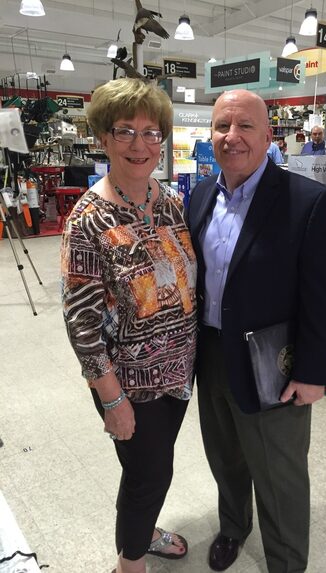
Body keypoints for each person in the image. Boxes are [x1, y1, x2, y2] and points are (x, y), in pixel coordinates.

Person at [187, 89, 326, 572]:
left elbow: (322, 296)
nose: (231, 137)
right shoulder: (198, 197)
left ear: (268, 135)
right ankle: (234, 526)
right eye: (221, 127)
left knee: (279, 471)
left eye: (245, 126)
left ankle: (286, 560)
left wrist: (315, 372)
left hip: (274, 360)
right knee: (225, 456)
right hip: (211, 352)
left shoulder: (309, 201)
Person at [61, 78, 197, 573]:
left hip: (179, 376)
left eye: (151, 132)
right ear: (102, 138)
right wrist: (112, 400)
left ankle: (143, 530)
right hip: (130, 385)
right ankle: (130, 563)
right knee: (149, 475)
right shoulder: (88, 220)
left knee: (148, 473)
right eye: (125, 131)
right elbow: (81, 324)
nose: (140, 145)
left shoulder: (170, 201)